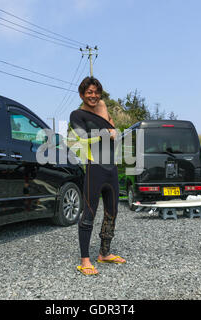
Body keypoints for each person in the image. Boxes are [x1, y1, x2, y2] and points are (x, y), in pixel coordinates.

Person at [70, 76, 125, 275]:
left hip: (112, 169)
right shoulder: (77, 115)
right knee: (89, 213)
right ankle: (85, 259)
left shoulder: (102, 112)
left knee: (112, 213)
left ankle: (104, 253)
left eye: (96, 92)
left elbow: (112, 137)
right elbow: (81, 139)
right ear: (82, 94)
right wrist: (105, 133)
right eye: (89, 92)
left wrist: (114, 134)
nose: (93, 96)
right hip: (95, 169)